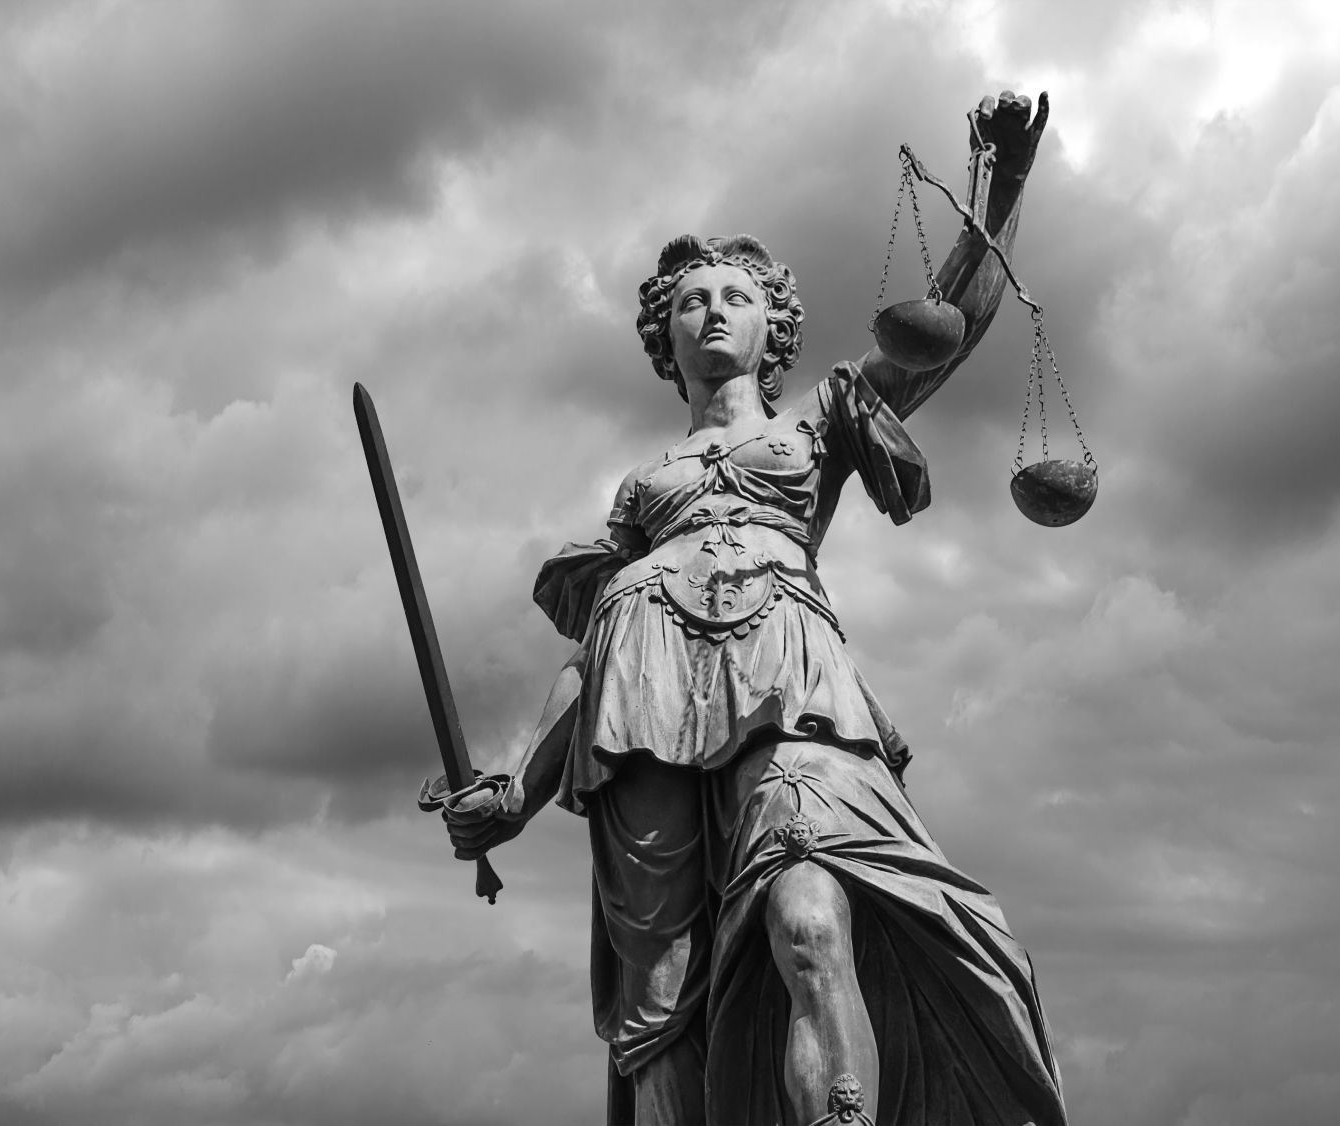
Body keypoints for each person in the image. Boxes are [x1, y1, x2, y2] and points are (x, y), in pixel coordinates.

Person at [431, 92, 1066, 1126]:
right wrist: (517, 788)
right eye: (690, 300)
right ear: (663, 336)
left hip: (793, 693)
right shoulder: (640, 494)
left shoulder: (820, 427)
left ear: (775, 327)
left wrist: (1003, 182)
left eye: (735, 295)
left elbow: (949, 327)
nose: (712, 310)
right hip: (640, 710)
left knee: (812, 909)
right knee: (661, 1007)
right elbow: (593, 655)